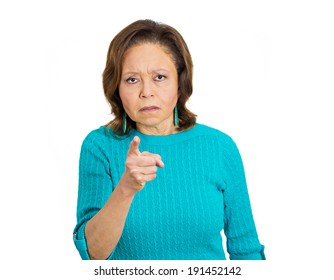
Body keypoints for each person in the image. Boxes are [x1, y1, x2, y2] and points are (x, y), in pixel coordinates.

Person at [73, 19, 266, 260]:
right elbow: (92, 254)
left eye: (160, 77)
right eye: (132, 79)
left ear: (180, 82)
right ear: (117, 88)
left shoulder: (219, 147)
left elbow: (246, 250)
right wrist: (126, 188)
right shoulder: (100, 146)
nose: (146, 91)